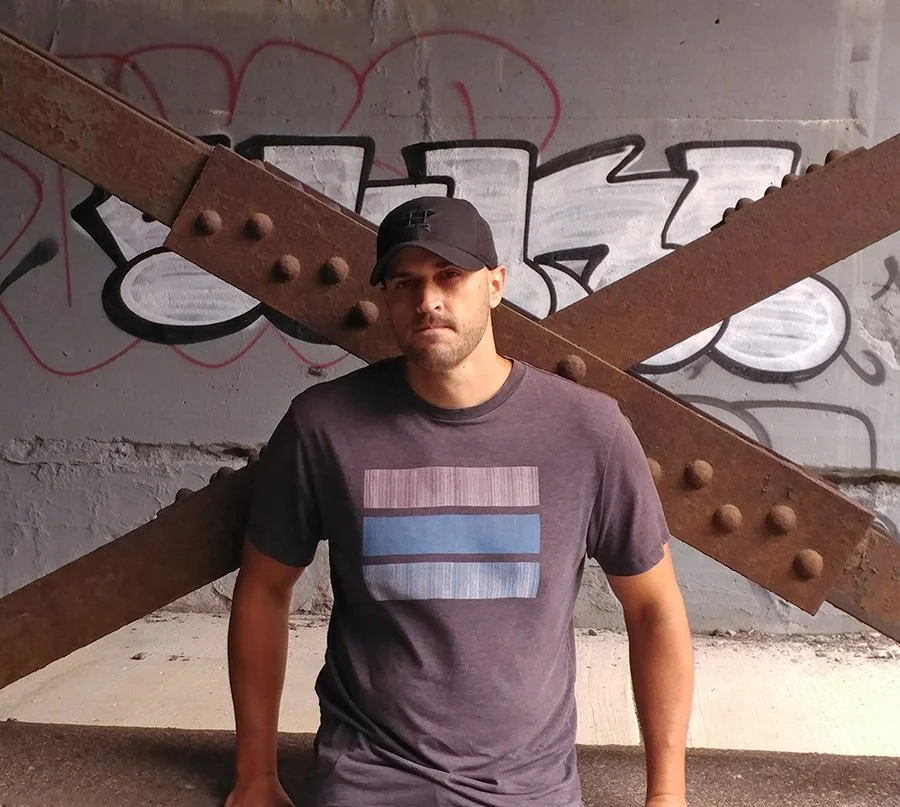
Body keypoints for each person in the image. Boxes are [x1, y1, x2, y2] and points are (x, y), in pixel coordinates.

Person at [224, 196, 694, 807]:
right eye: (405, 282)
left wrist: (667, 794)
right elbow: (263, 587)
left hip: (527, 788)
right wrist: (255, 775)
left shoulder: (588, 431)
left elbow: (655, 608)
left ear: (495, 285)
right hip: (369, 777)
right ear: (387, 296)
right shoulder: (324, 426)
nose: (428, 301)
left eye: (451, 275)